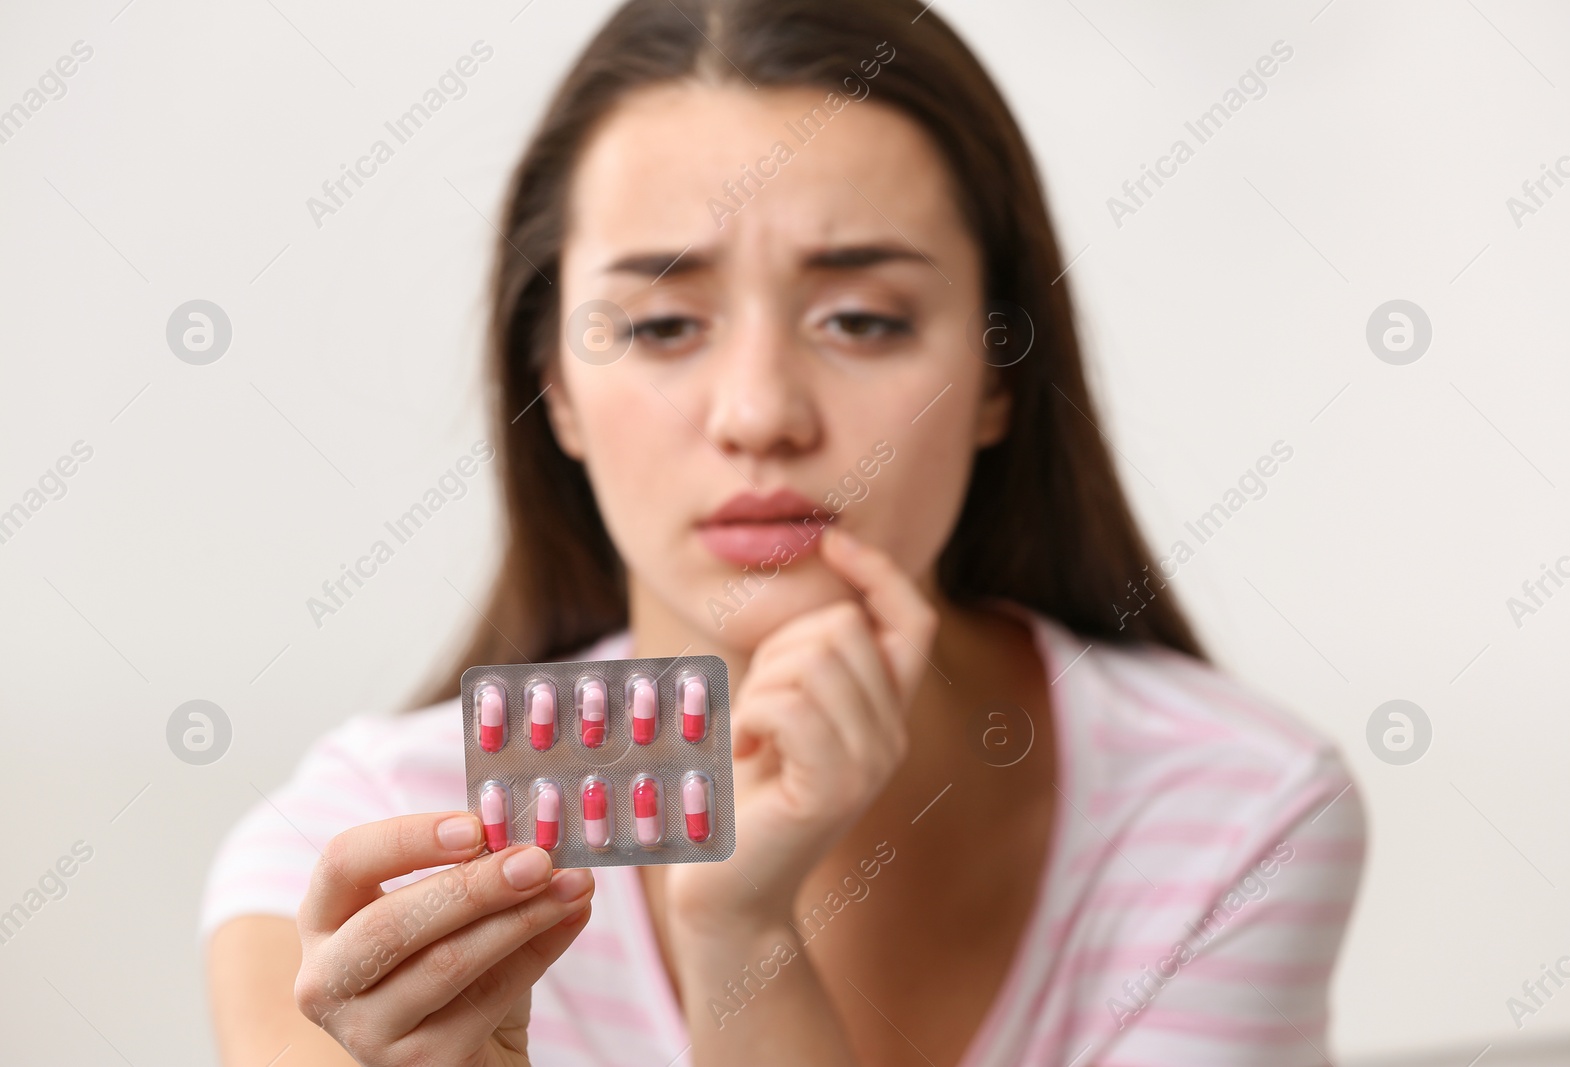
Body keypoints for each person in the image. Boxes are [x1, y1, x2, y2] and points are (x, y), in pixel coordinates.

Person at [202, 0, 1366, 1063]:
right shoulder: (359, 852)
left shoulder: (1231, 808)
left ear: (1000, 371)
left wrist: (735, 933)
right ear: (551, 382)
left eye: (860, 317)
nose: (760, 411)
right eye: (660, 325)